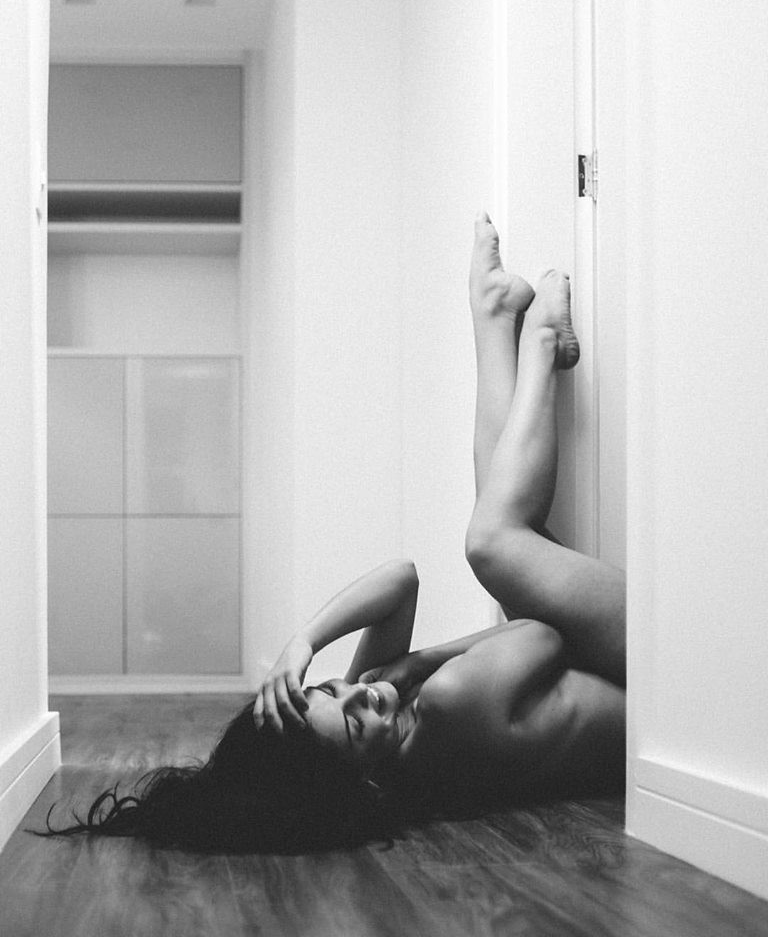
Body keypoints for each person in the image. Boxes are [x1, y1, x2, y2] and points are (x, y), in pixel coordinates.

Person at [39, 215, 625, 854]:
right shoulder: (448, 708)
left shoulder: (379, 736)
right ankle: (539, 343)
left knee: (502, 522)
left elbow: (401, 581)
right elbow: (539, 631)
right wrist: (419, 663)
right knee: (493, 541)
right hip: (642, 679)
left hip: (590, 662)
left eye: (331, 689)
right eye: (354, 718)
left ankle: (495, 317)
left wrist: (304, 643)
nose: (361, 692)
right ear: (362, 786)